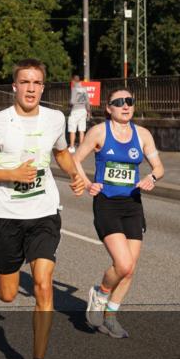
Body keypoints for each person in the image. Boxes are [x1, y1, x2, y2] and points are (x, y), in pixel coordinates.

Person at [0, 59, 86, 359]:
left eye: (37, 83)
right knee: (7, 293)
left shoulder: (55, 119)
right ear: (13, 86)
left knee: (43, 286)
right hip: (7, 217)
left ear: (43, 87)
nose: (31, 88)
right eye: (25, 82)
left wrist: (75, 174)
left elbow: (61, 153)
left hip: (44, 213)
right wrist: (10, 174)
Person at [73, 89, 164, 338]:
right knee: (122, 263)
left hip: (133, 204)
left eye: (129, 102)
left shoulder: (143, 134)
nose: (125, 106)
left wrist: (151, 177)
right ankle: (100, 294)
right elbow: (75, 160)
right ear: (109, 109)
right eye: (118, 103)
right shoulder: (99, 132)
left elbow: (159, 167)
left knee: (130, 268)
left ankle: (111, 316)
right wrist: (88, 183)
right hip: (107, 204)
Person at [68, 74, 89, 153]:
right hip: (83, 110)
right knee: (81, 129)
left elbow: (72, 101)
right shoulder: (84, 89)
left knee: (72, 129)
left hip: (75, 111)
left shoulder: (74, 89)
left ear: (74, 80)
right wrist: (88, 112)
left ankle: (72, 147)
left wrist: (69, 103)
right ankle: (81, 146)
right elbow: (87, 101)